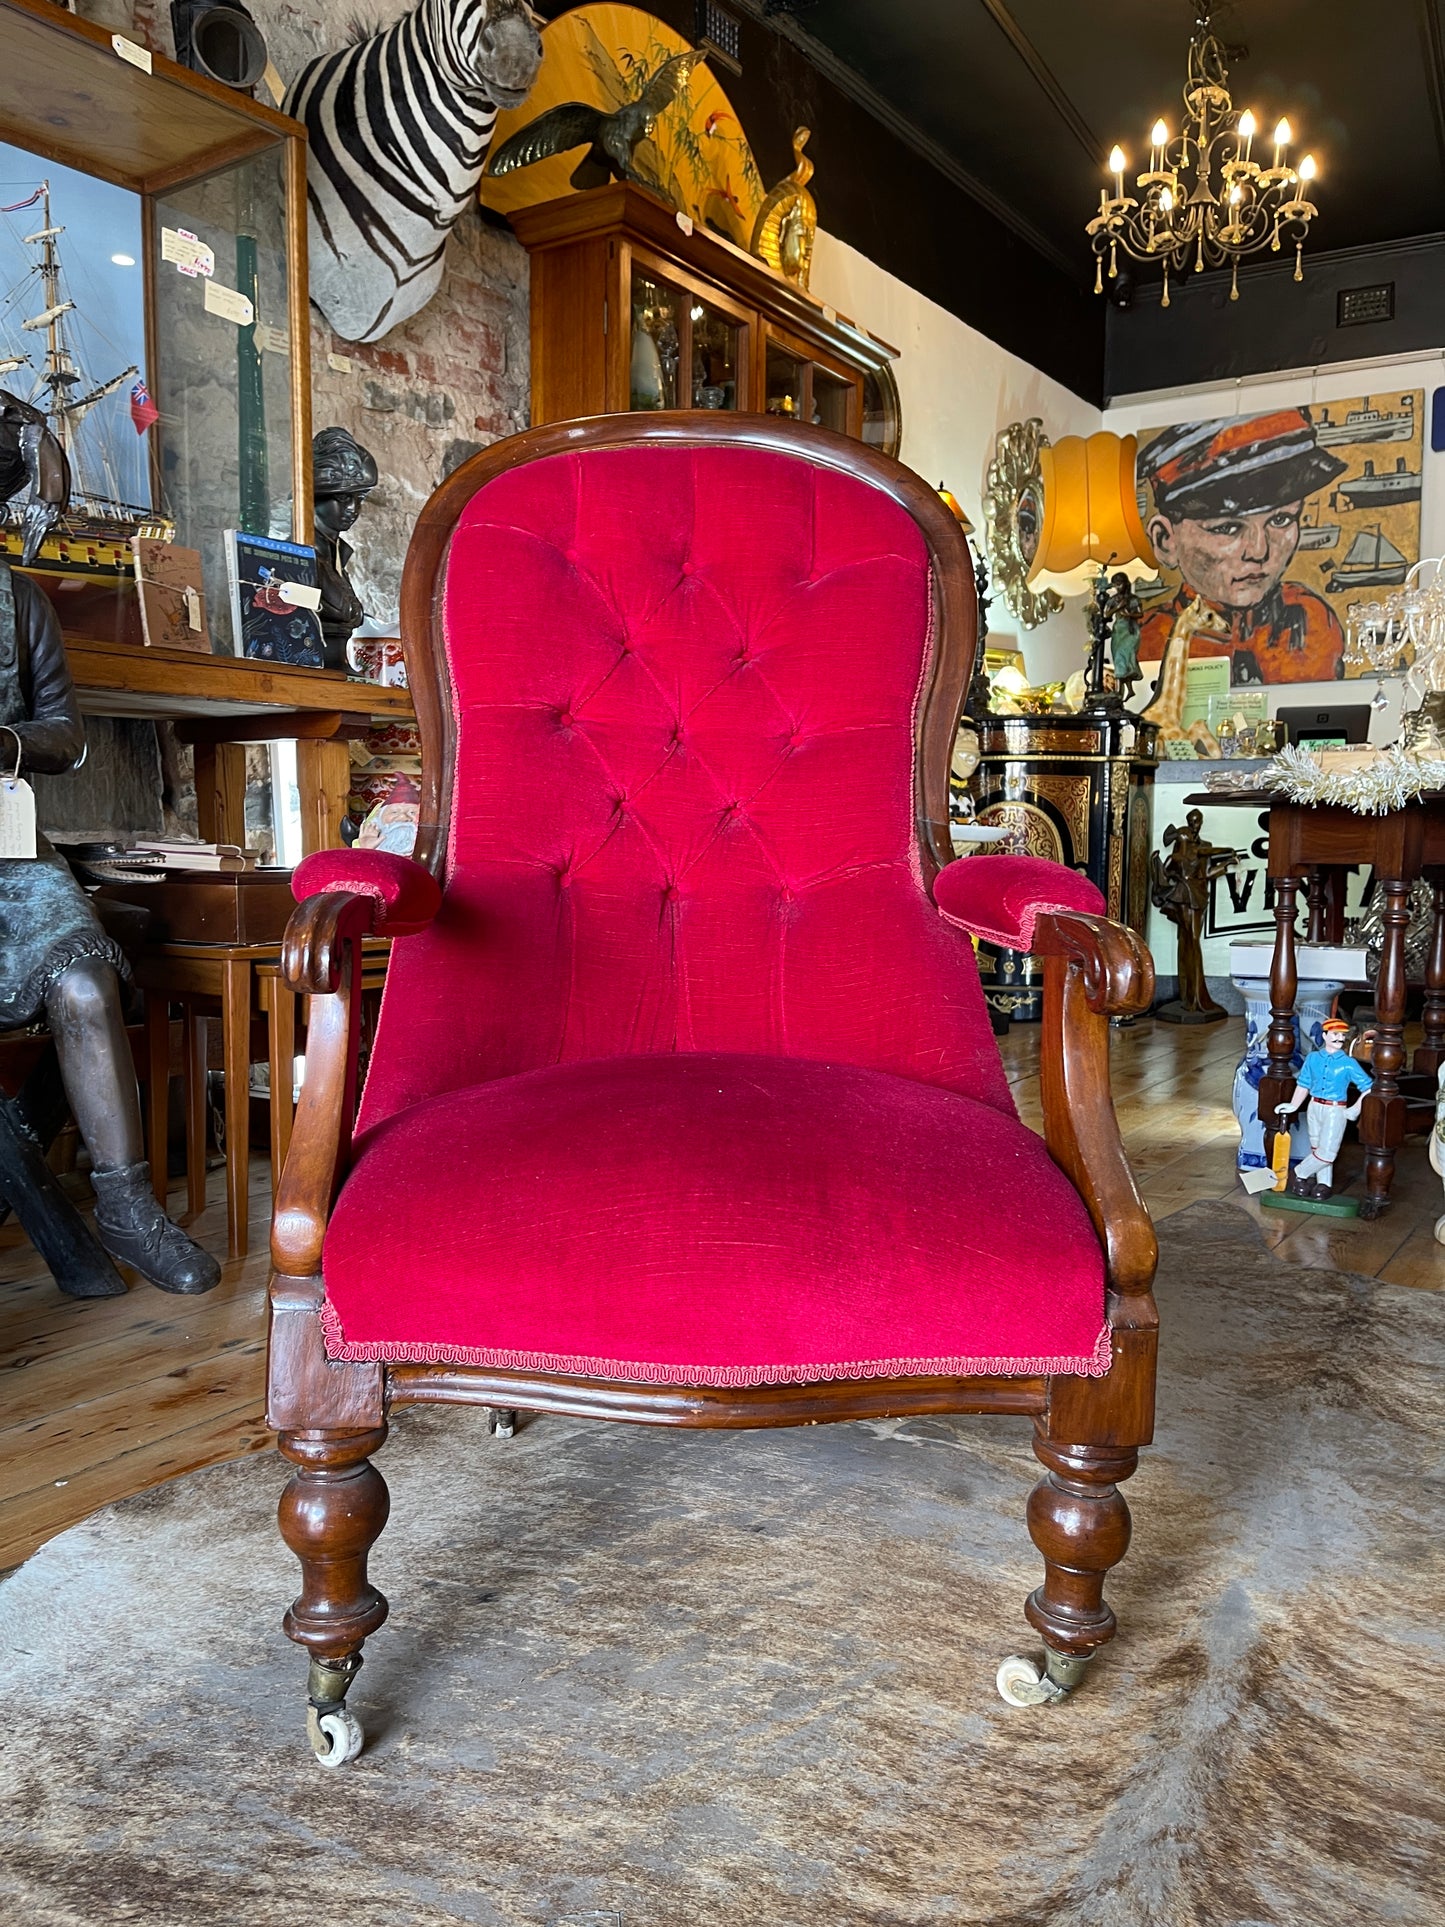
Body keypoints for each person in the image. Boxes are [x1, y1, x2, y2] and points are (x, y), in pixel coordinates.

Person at [0, 390, 219, 1294]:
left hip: (7, 846)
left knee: (86, 979)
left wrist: (5, 742)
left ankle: (128, 1209)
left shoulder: (19, 603)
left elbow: (66, 733)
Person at [1136, 410, 1348, 684]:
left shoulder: (1313, 621)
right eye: (1227, 528)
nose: (1259, 552)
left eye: (1281, 520)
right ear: (1166, 540)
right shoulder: (1148, 639)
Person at [1274, 1018, 1373, 1199]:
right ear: (1325, 1036)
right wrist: (1294, 1105)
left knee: (1327, 1152)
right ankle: (1323, 1185)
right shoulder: (1313, 1058)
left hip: (1335, 1111)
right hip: (1314, 1106)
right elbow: (1303, 1084)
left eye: (1342, 1035)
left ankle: (1299, 1173)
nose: (1339, 1039)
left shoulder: (1348, 1063)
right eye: (1335, 1034)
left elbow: (1369, 1087)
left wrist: (1356, 1108)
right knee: (1317, 1148)